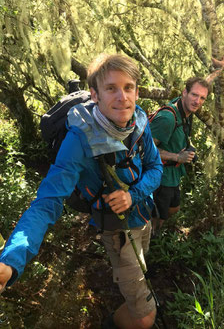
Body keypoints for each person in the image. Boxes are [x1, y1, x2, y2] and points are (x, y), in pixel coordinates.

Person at [0, 54, 163, 329]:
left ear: (137, 90)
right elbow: (47, 202)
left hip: (143, 215)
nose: (122, 97)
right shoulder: (79, 140)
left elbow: (155, 167)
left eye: (128, 87)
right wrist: (11, 260)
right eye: (111, 88)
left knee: (141, 270)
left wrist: (132, 196)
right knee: (145, 318)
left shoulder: (139, 121)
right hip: (118, 230)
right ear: (95, 95)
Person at [150, 58, 224, 234]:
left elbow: (201, 86)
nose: (197, 101)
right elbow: (144, 151)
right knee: (158, 217)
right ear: (184, 93)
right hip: (161, 176)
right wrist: (177, 157)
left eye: (202, 98)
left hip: (173, 174)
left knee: (173, 208)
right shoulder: (168, 119)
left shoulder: (186, 107)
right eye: (194, 95)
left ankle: (156, 232)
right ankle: (151, 243)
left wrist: (217, 71)